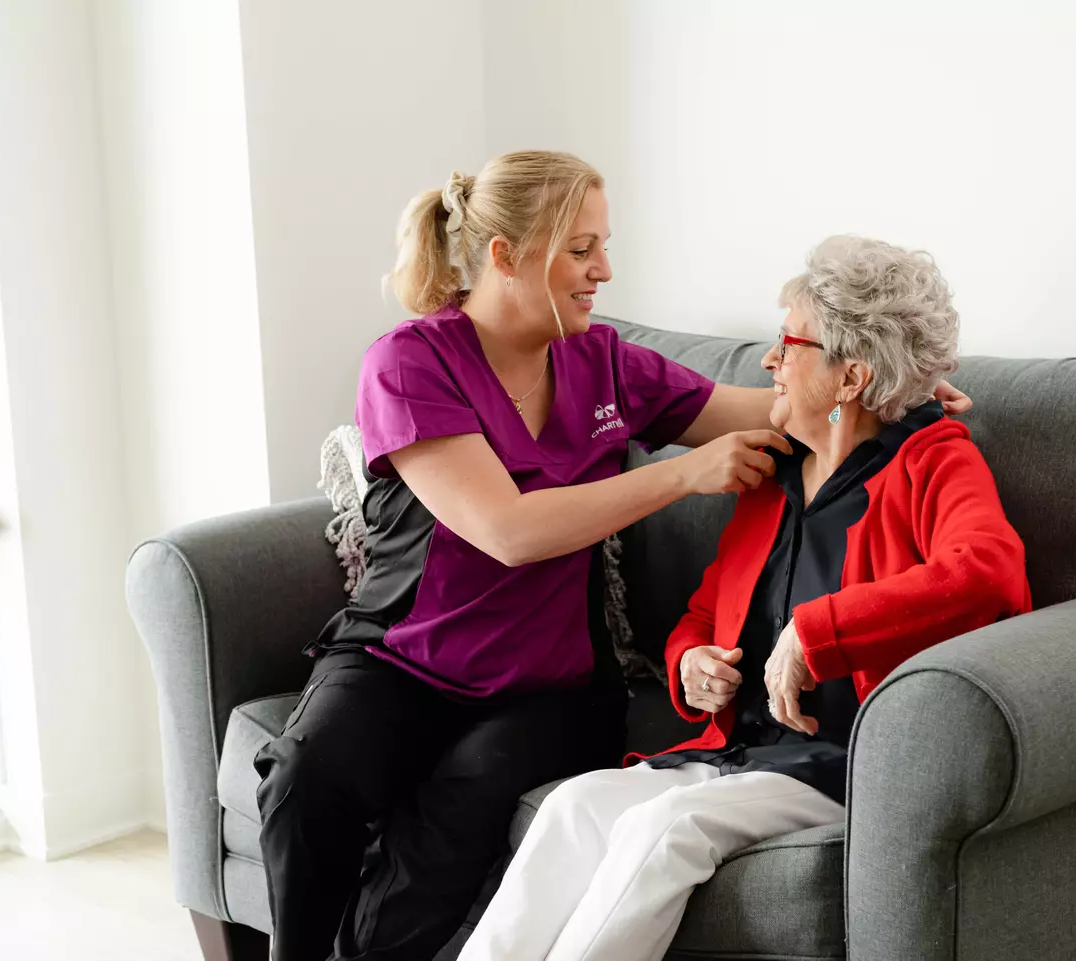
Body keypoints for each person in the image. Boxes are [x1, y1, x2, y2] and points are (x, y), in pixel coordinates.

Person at [252, 152, 968, 961]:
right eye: (582, 249)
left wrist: (889, 392)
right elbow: (508, 531)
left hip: (547, 689)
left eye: (605, 244)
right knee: (304, 781)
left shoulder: (606, 363)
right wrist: (681, 473)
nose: (605, 270)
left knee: (451, 818)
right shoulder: (410, 361)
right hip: (404, 662)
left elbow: (788, 410)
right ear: (506, 255)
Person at [458, 235, 1033, 961]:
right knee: (574, 806)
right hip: (741, 751)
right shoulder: (773, 473)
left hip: (839, 760)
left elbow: (990, 572)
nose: (769, 361)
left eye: (787, 342)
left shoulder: (934, 459)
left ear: (850, 375)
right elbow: (706, 609)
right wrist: (691, 661)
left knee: (665, 826)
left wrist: (815, 632)